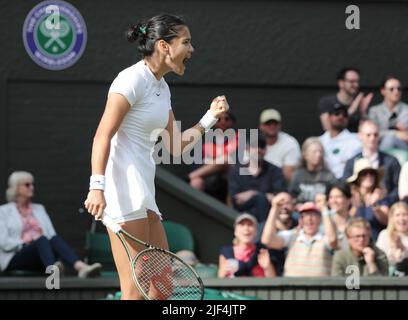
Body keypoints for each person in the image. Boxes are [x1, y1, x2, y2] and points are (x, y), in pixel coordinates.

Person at [83, 14, 229, 300]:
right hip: (121, 193)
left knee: (162, 289)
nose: (192, 49)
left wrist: (210, 117)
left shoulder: (162, 88)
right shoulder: (130, 80)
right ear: (164, 45)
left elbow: (175, 146)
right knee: (135, 291)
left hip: (145, 194)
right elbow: (102, 135)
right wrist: (96, 186)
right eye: (186, 42)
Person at [0, 171, 102, 277]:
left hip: (40, 256)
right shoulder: (3, 212)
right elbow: (3, 242)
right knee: (41, 239)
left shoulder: (39, 209)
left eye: (32, 184)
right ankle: (53, 272)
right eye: (27, 185)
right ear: (16, 188)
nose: (32, 187)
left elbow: (51, 234)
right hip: (14, 257)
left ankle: (80, 267)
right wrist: (25, 242)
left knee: (53, 238)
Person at [261, 202, 337, 277]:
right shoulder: (292, 236)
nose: (309, 218)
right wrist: (274, 209)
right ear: (300, 220)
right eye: (305, 215)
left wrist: (324, 209)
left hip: (319, 288)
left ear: (320, 219)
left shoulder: (325, 237)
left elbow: (333, 240)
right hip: (292, 287)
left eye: (313, 215)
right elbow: (267, 240)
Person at [228, 135, 287, 224]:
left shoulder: (275, 170)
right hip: (241, 214)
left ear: (265, 150)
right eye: (255, 146)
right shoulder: (236, 170)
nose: (258, 150)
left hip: (269, 213)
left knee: (260, 199)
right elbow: (236, 200)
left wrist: (253, 193)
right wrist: (266, 196)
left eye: (262, 147)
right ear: (247, 149)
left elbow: (279, 199)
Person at [343, 119, 401, 205]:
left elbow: (397, 188)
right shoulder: (351, 163)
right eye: (368, 135)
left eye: (375, 135)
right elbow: (346, 187)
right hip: (358, 208)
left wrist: (383, 200)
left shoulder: (391, 161)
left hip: (386, 208)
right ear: (360, 136)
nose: (372, 138)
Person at [188, 111, 238, 203]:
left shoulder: (238, 141)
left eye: (226, 119)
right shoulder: (205, 144)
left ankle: (187, 178)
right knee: (196, 182)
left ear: (231, 122)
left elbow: (240, 164)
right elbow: (196, 166)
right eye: (219, 119)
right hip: (209, 179)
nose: (223, 122)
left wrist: (215, 163)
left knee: (225, 160)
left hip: (229, 178)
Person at [218, 213, 276, 278]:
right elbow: (221, 277)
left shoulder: (262, 251)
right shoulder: (226, 252)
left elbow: (272, 279)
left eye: (250, 225)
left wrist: (267, 267)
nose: (246, 228)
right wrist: (224, 272)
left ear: (256, 231)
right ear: (235, 231)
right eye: (242, 225)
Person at [319, 67, 373, 133]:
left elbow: (368, 132)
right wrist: (352, 109)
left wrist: (363, 112)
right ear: (341, 83)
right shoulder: (327, 102)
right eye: (352, 81)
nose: (356, 85)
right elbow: (328, 129)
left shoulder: (361, 102)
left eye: (357, 81)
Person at [347, 158, 389, 240]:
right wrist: (355, 207)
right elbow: (346, 223)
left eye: (371, 173)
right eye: (364, 173)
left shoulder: (381, 196)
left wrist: (375, 206)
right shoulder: (350, 197)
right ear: (358, 178)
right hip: (356, 240)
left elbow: (386, 221)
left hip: (376, 239)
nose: (369, 176)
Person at [289, 137, 336, 204]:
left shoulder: (329, 176)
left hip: (322, 211)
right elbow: (292, 197)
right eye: (314, 152)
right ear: (305, 155)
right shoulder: (298, 175)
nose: (318, 155)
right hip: (301, 212)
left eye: (320, 152)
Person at [319, 104, 362, 179]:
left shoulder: (356, 140)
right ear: (329, 117)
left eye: (344, 115)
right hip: (322, 181)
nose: (341, 117)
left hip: (345, 180)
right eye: (336, 113)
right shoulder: (320, 141)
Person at [258, 108, 301, 182]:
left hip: (280, 188)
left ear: (280, 125)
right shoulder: (253, 142)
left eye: (275, 123)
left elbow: (288, 176)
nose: (272, 126)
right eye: (268, 123)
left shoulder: (290, 143)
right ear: (261, 126)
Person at [368, 76, 408, 150]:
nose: (396, 92)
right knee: (389, 139)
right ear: (383, 91)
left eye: (399, 89)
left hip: (404, 147)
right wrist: (395, 133)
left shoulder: (406, 109)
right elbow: (372, 133)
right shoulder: (375, 111)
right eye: (391, 89)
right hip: (380, 146)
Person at [376, 202, 408, 276]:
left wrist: (403, 249)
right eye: (397, 215)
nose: (401, 218)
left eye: (405, 214)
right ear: (392, 218)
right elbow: (380, 258)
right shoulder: (384, 234)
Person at [326, 182, 353, 249]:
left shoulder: (355, 223)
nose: (334, 201)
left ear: (349, 200)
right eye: (331, 197)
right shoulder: (323, 222)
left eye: (338, 197)